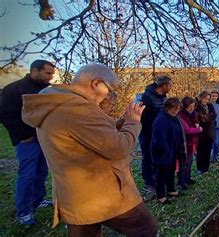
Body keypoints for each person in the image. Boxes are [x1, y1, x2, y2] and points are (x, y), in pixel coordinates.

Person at [22, 63, 158, 235]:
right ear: (95, 83)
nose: (108, 94)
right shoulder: (78, 109)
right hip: (102, 195)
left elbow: (87, 138)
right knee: (146, 228)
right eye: (108, 88)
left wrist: (121, 123)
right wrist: (133, 122)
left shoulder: (56, 104)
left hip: (75, 196)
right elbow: (118, 148)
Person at [0, 60, 55, 225]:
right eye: (48, 73)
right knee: (27, 175)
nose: (51, 77)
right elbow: (5, 115)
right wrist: (23, 135)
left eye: (52, 74)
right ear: (35, 71)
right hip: (27, 142)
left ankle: (38, 200)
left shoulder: (46, 90)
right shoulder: (14, 89)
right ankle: (24, 211)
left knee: (41, 171)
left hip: (43, 138)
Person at [139, 75, 173, 194]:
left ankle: (157, 180)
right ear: (164, 86)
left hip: (159, 133)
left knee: (157, 157)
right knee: (147, 157)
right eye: (170, 85)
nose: (171, 87)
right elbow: (142, 118)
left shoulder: (164, 97)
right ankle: (148, 183)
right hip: (147, 133)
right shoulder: (147, 97)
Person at [151, 98, 186, 203]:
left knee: (171, 171)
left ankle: (171, 189)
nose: (176, 111)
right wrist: (166, 152)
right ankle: (161, 196)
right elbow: (160, 139)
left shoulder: (174, 117)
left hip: (173, 149)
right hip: (162, 152)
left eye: (178, 109)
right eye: (174, 109)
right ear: (167, 108)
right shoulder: (161, 119)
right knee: (161, 173)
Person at [177, 97, 202, 189]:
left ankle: (188, 178)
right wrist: (198, 129)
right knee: (183, 162)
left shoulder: (194, 114)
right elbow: (187, 130)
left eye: (193, 106)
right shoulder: (180, 115)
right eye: (189, 107)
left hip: (192, 141)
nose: (191, 108)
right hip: (184, 142)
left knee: (190, 161)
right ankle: (181, 181)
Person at [195, 90, 217, 174]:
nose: (206, 101)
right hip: (201, 132)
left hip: (209, 132)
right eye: (205, 99)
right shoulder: (197, 106)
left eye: (208, 99)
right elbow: (199, 118)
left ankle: (206, 168)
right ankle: (200, 168)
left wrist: (206, 117)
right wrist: (207, 117)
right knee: (200, 151)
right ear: (201, 98)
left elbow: (214, 115)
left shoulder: (210, 105)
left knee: (207, 151)